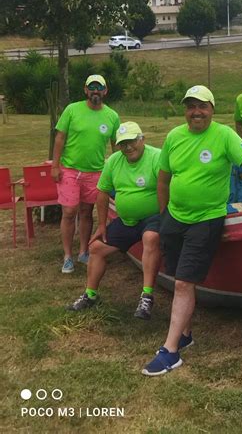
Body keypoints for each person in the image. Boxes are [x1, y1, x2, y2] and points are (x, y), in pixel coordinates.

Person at [142, 85, 242, 376]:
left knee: (183, 283)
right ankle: (185, 333)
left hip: (206, 219)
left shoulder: (224, 136)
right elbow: (164, 179)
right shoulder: (174, 137)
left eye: (202, 106)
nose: (196, 112)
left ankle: (170, 351)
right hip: (175, 218)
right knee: (180, 278)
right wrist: (163, 213)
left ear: (212, 108)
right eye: (191, 106)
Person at [67, 122, 162, 319]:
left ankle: (147, 297)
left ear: (142, 139)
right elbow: (102, 192)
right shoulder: (113, 161)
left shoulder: (157, 157)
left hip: (153, 217)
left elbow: (168, 187)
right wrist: (102, 225)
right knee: (95, 248)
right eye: (123, 144)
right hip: (127, 219)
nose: (128, 147)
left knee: (151, 237)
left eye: (132, 141)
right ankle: (90, 295)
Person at [52, 74, 120, 274]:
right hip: (70, 170)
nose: (95, 91)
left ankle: (83, 252)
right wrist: (55, 166)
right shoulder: (72, 110)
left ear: (105, 91)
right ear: (85, 90)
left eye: (100, 87)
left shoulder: (112, 116)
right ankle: (67, 256)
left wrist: (117, 171)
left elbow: (116, 145)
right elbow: (59, 138)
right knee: (70, 211)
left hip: (96, 172)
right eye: (92, 87)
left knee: (86, 212)